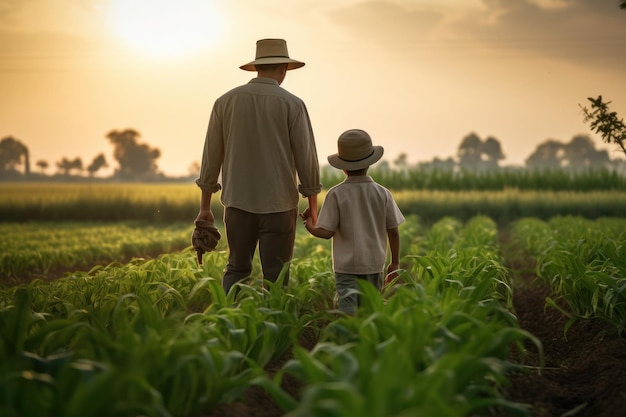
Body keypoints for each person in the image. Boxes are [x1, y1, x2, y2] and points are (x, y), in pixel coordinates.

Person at [194, 38, 322, 294]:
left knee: (237, 269)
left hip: (238, 204)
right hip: (280, 206)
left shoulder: (225, 102)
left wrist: (205, 208)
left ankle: (229, 325)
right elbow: (306, 159)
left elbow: (211, 157)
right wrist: (313, 207)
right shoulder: (293, 104)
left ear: (256, 67)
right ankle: (273, 331)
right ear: (284, 69)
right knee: (276, 277)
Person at [301, 129, 405, 315]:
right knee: (370, 311)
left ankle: (348, 339)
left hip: (346, 267)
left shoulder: (336, 193)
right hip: (374, 264)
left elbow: (325, 232)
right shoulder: (382, 193)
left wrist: (309, 223)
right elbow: (393, 231)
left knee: (347, 309)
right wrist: (395, 262)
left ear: (343, 167)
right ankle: (366, 342)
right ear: (370, 162)